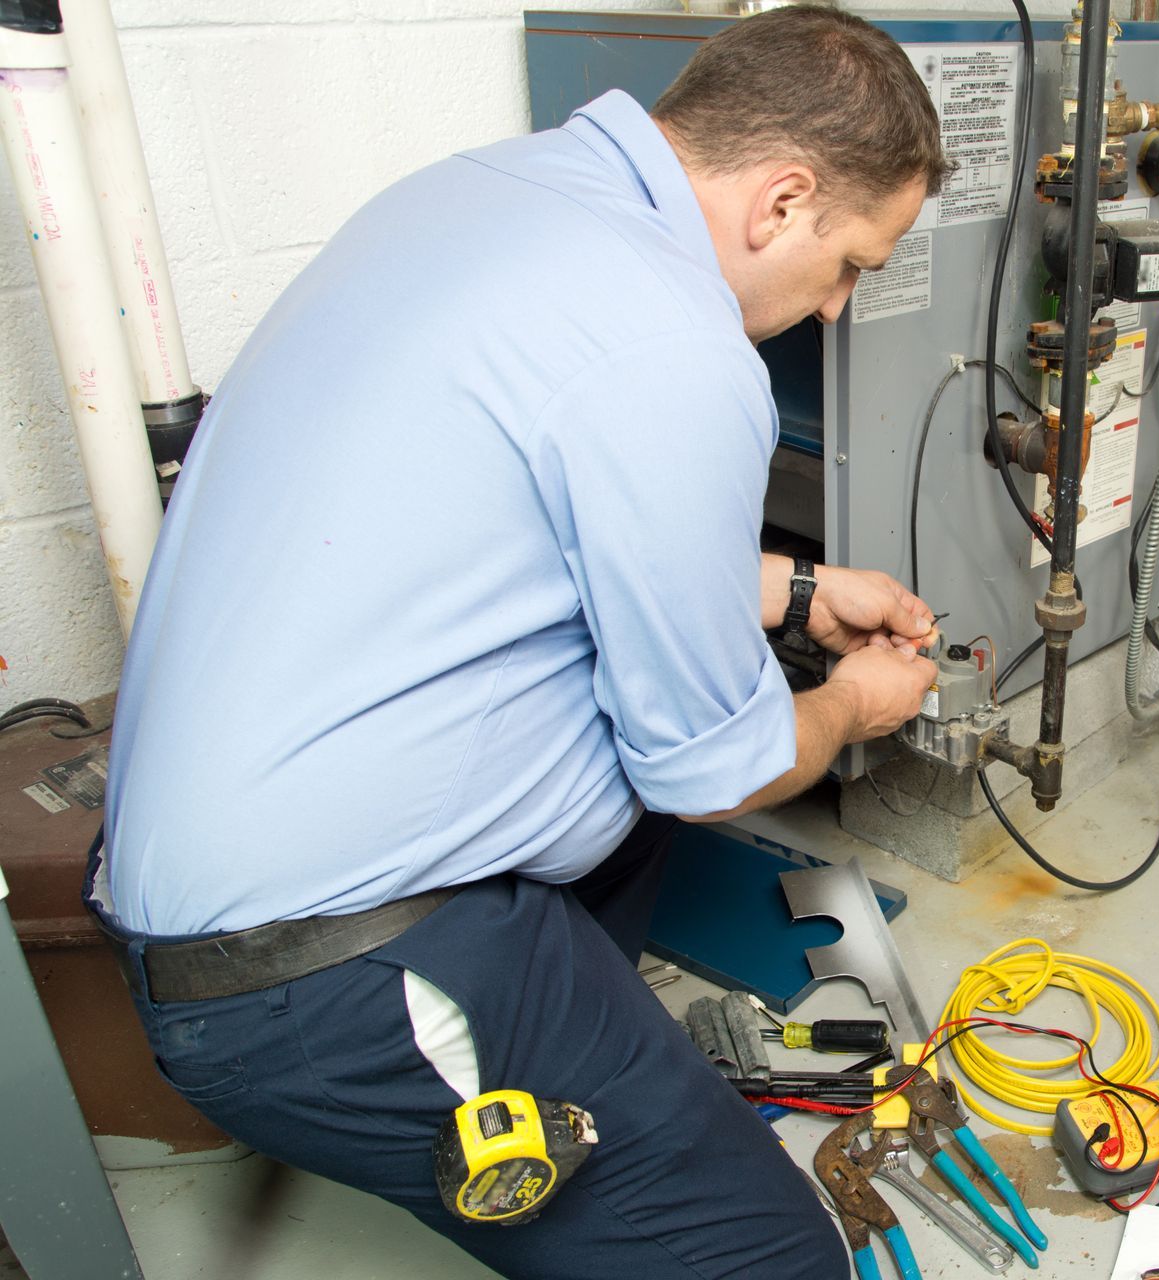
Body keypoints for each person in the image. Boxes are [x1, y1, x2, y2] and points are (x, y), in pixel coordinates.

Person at [87, 8, 948, 1276]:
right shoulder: (677, 343)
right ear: (782, 199)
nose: (835, 306)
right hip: (311, 976)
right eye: (853, 264)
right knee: (771, 1257)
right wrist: (859, 702)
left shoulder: (487, 194)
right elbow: (722, 770)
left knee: (641, 763)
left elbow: (541, 518)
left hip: (215, 867)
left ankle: (587, 1057)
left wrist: (802, 591)